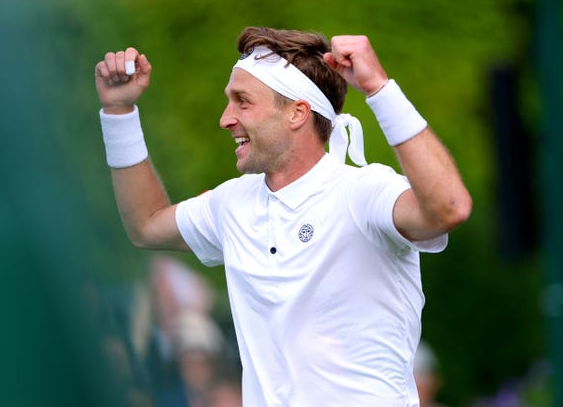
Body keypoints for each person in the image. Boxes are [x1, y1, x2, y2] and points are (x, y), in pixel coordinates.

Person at [94, 26, 472, 406]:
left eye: (242, 101)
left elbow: (450, 208)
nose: (225, 119)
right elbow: (146, 224)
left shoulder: (363, 191)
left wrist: (379, 89)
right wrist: (118, 111)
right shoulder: (232, 204)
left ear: (297, 113)